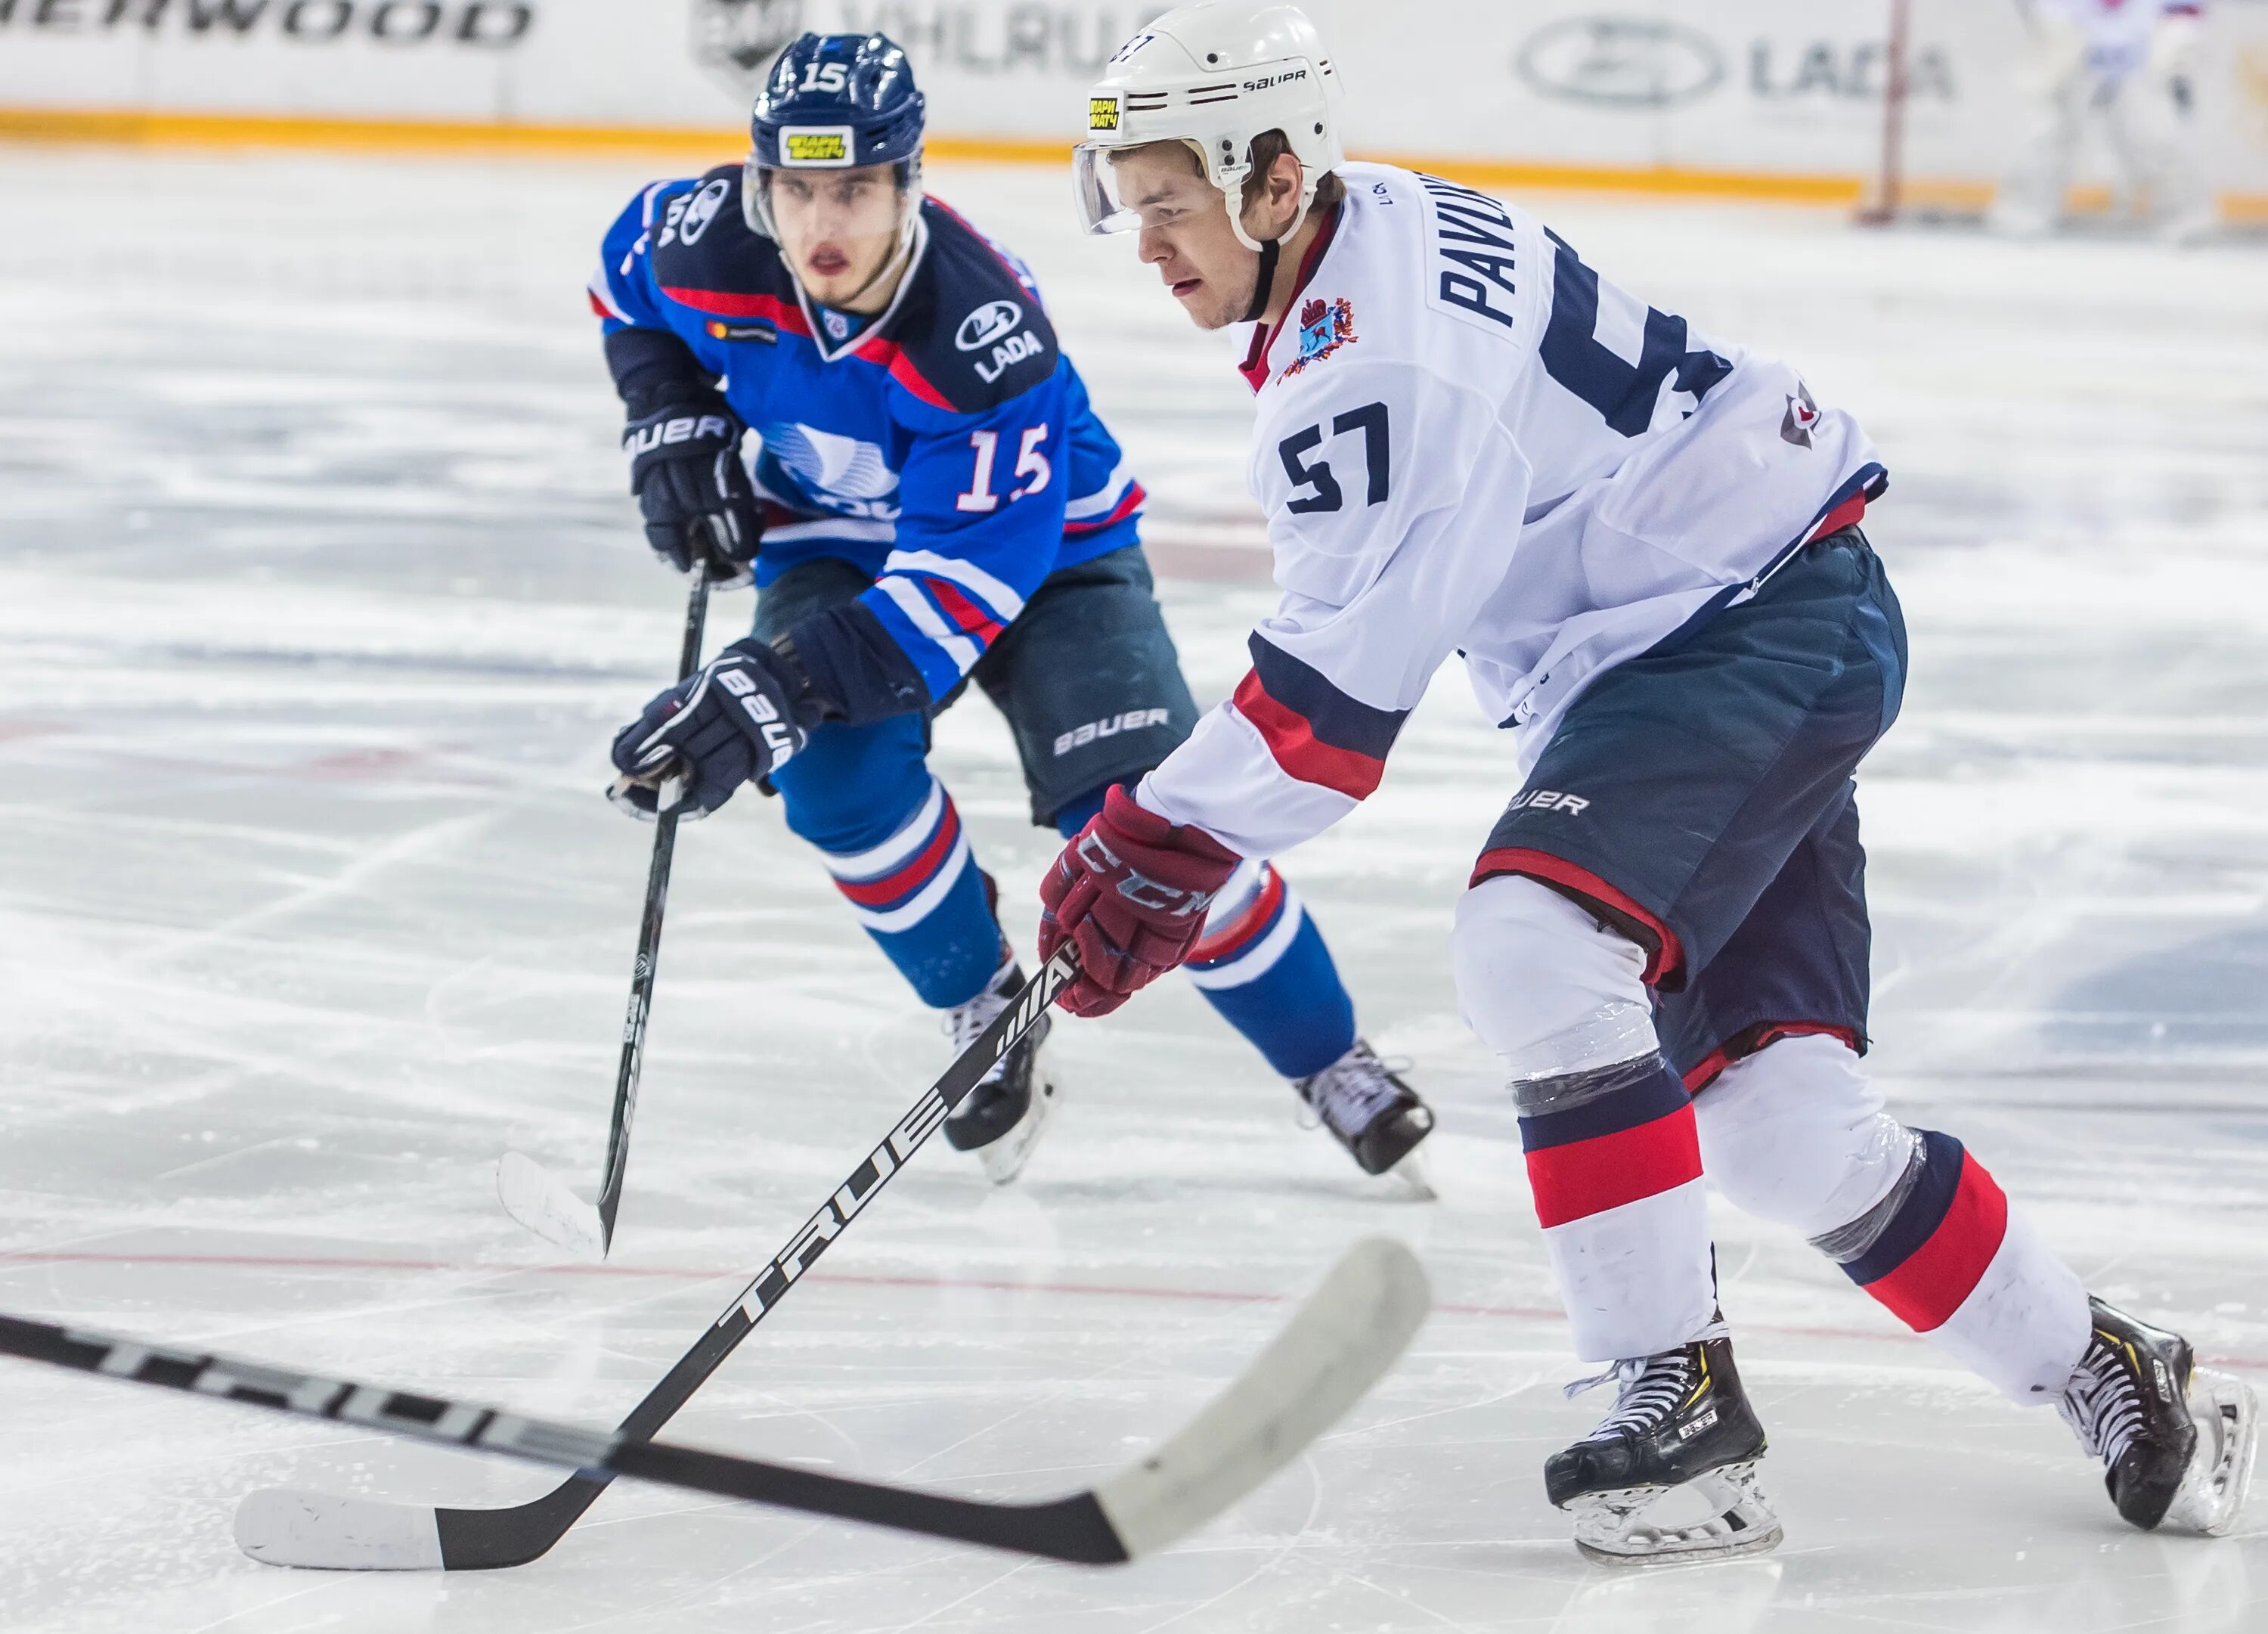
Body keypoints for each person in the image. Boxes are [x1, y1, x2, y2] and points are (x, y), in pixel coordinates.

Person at [1040, 0, 2254, 1563]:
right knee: (1780, 1130)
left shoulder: (1376, 363)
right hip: (1737, 613)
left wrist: (1160, 839)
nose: (1146, 248)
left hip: (1741, 622)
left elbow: (1334, 706)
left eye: (1170, 207)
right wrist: (1179, 839)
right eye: (1131, 211)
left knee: (1532, 946)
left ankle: (1678, 1410)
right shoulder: (1364, 223)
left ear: (1276, 177)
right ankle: (2114, 1368)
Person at [593, 32, 1433, 1189]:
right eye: (795, 189)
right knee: (837, 786)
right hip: (835, 535)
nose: (821, 227)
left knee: (1145, 827)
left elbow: (949, 601)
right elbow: (620, 285)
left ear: (909, 186)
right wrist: (668, 419)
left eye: (855, 190)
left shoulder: (981, 335)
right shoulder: (698, 241)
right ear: (758, 186)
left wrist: (767, 695)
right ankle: (987, 1007)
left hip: (1045, 557)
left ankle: (1328, 1057)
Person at [1991, 0, 2215, 242]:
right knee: (2048, 129)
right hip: (2078, 46)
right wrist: (2056, 35)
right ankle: (2024, 212)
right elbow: (2048, 15)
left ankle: (2187, 219)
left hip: (2144, 54)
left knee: (2159, 132)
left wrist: (2177, 40)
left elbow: (2185, 12)